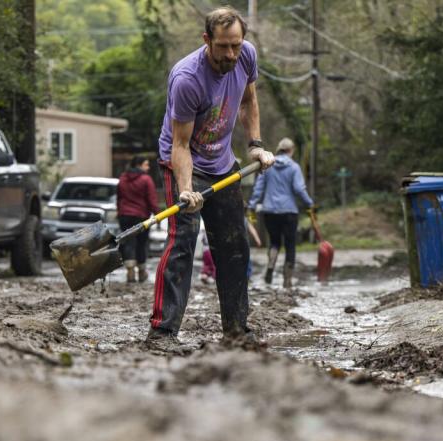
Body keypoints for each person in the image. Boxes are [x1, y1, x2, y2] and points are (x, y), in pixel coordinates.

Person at [147, 5, 275, 350]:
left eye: (236, 45)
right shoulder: (187, 78)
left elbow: (249, 101)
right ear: (207, 40)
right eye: (223, 47)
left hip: (223, 162)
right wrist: (186, 189)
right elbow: (180, 143)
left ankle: (236, 330)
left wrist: (256, 146)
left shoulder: (246, 56)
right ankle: (162, 333)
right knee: (182, 245)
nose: (231, 54)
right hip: (183, 162)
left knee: (234, 246)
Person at [247, 137, 313, 287]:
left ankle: (271, 264)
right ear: (291, 150)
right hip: (289, 212)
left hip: (269, 211)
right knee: (290, 245)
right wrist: (310, 203)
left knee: (275, 242)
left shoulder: (268, 165)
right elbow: (299, 189)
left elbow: (259, 188)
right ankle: (287, 280)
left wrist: (252, 204)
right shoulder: (294, 167)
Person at [116, 155, 159, 283]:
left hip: (125, 216)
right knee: (141, 243)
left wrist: (120, 212)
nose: (148, 167)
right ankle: (141, 272)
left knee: (128, 242)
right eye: (146, 164)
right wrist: (157, 214)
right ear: (139, 165)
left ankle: (130, 272)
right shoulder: (146, 179)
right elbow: (152, 199)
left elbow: (119, 198)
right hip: (141, 216)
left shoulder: (122, 179)